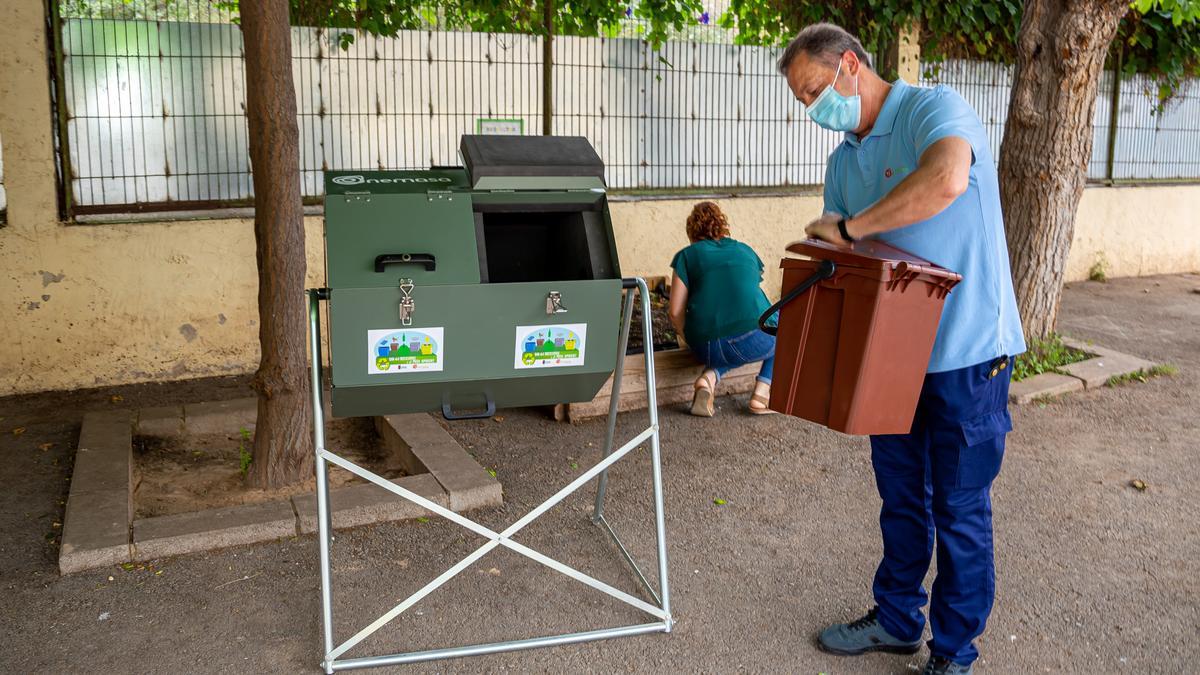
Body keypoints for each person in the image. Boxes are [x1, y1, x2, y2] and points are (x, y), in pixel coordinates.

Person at [777, 23, 1027, 675]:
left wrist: (853, 226)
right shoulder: (843, 163)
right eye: (802, 102)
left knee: (959, 506)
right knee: (901, 497)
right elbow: (843, 264)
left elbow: (945, 179)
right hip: (891, 362)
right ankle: (895, 618)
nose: (812, 110)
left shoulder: (932, 110)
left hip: (968, 354)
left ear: (851, 65)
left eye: (813, 92)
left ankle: (954, 651)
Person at [667, 201, 777, 417]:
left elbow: (674, 311)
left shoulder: (687, 255)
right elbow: (751, 297)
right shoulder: (745, 251)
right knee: (788, 328)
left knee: (733, 342)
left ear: (692, 233)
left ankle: (708, 379)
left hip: (703, 346)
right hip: (746, 339)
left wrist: (688, 339)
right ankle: (761, 396)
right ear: (722, 226)